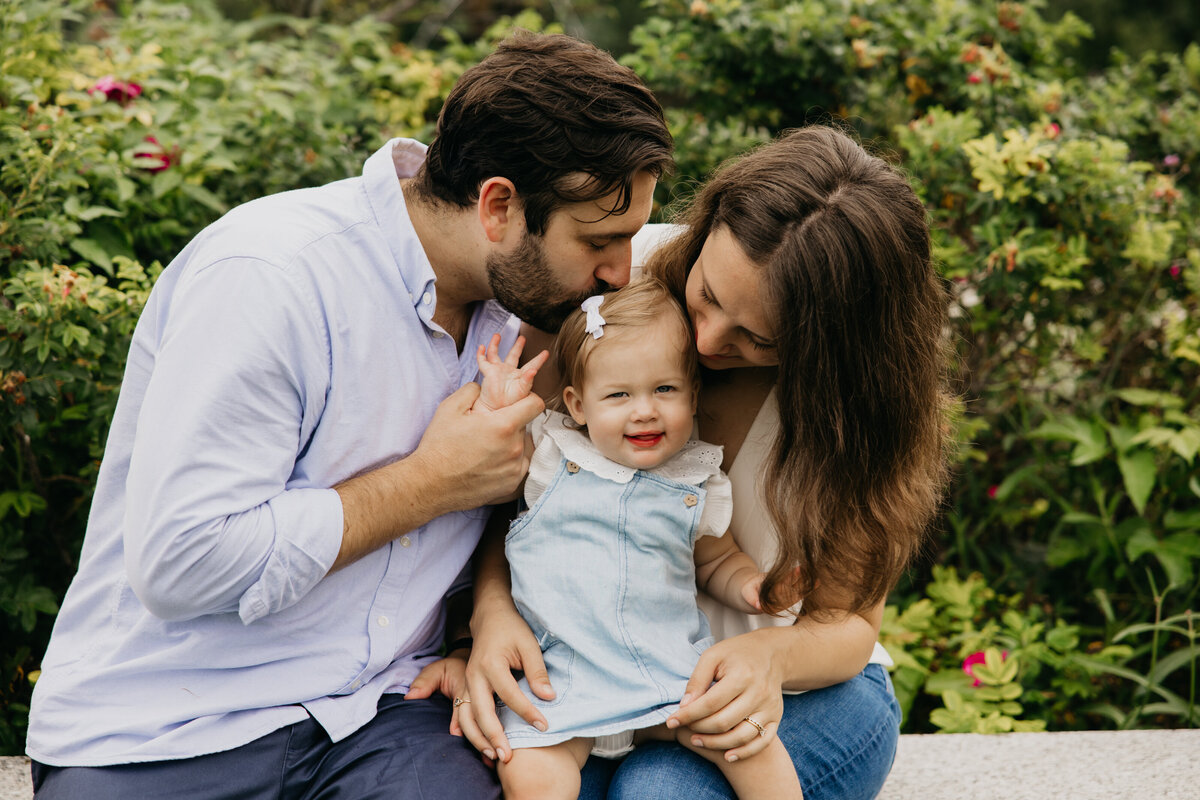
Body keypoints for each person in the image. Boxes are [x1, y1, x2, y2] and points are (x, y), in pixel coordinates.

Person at [24, 31, 673, 799]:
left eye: (631, 237)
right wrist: (430, 483)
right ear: (498, 206)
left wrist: (485, 617)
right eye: (600, 240)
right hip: (168, 727)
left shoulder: (535, 304)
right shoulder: (271, 279)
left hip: (387, 714)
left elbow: (732, 263)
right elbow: (181, 560)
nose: (619, 272)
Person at [457, 125, 952, 799]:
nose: (708, 338)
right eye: (710, 294)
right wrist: (491, 616)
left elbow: (847, 629)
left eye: (757, 336)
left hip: (802, 684)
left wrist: (767, 654)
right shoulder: (617, 295)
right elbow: (518, 502)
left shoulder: (856, 415)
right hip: (590, 663)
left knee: (661, 789)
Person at [467, 279, 802, 800]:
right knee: (530, 774)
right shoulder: (553, 455)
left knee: (750, 743)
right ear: (578, 404)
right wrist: (497, 405)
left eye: (664, 390)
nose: (643, 410)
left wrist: (754, 588)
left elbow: (715, 562)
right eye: (619, 395)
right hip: (562, 676)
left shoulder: (695, 481)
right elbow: (491, 462)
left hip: (670, 672)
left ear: (692, 396)